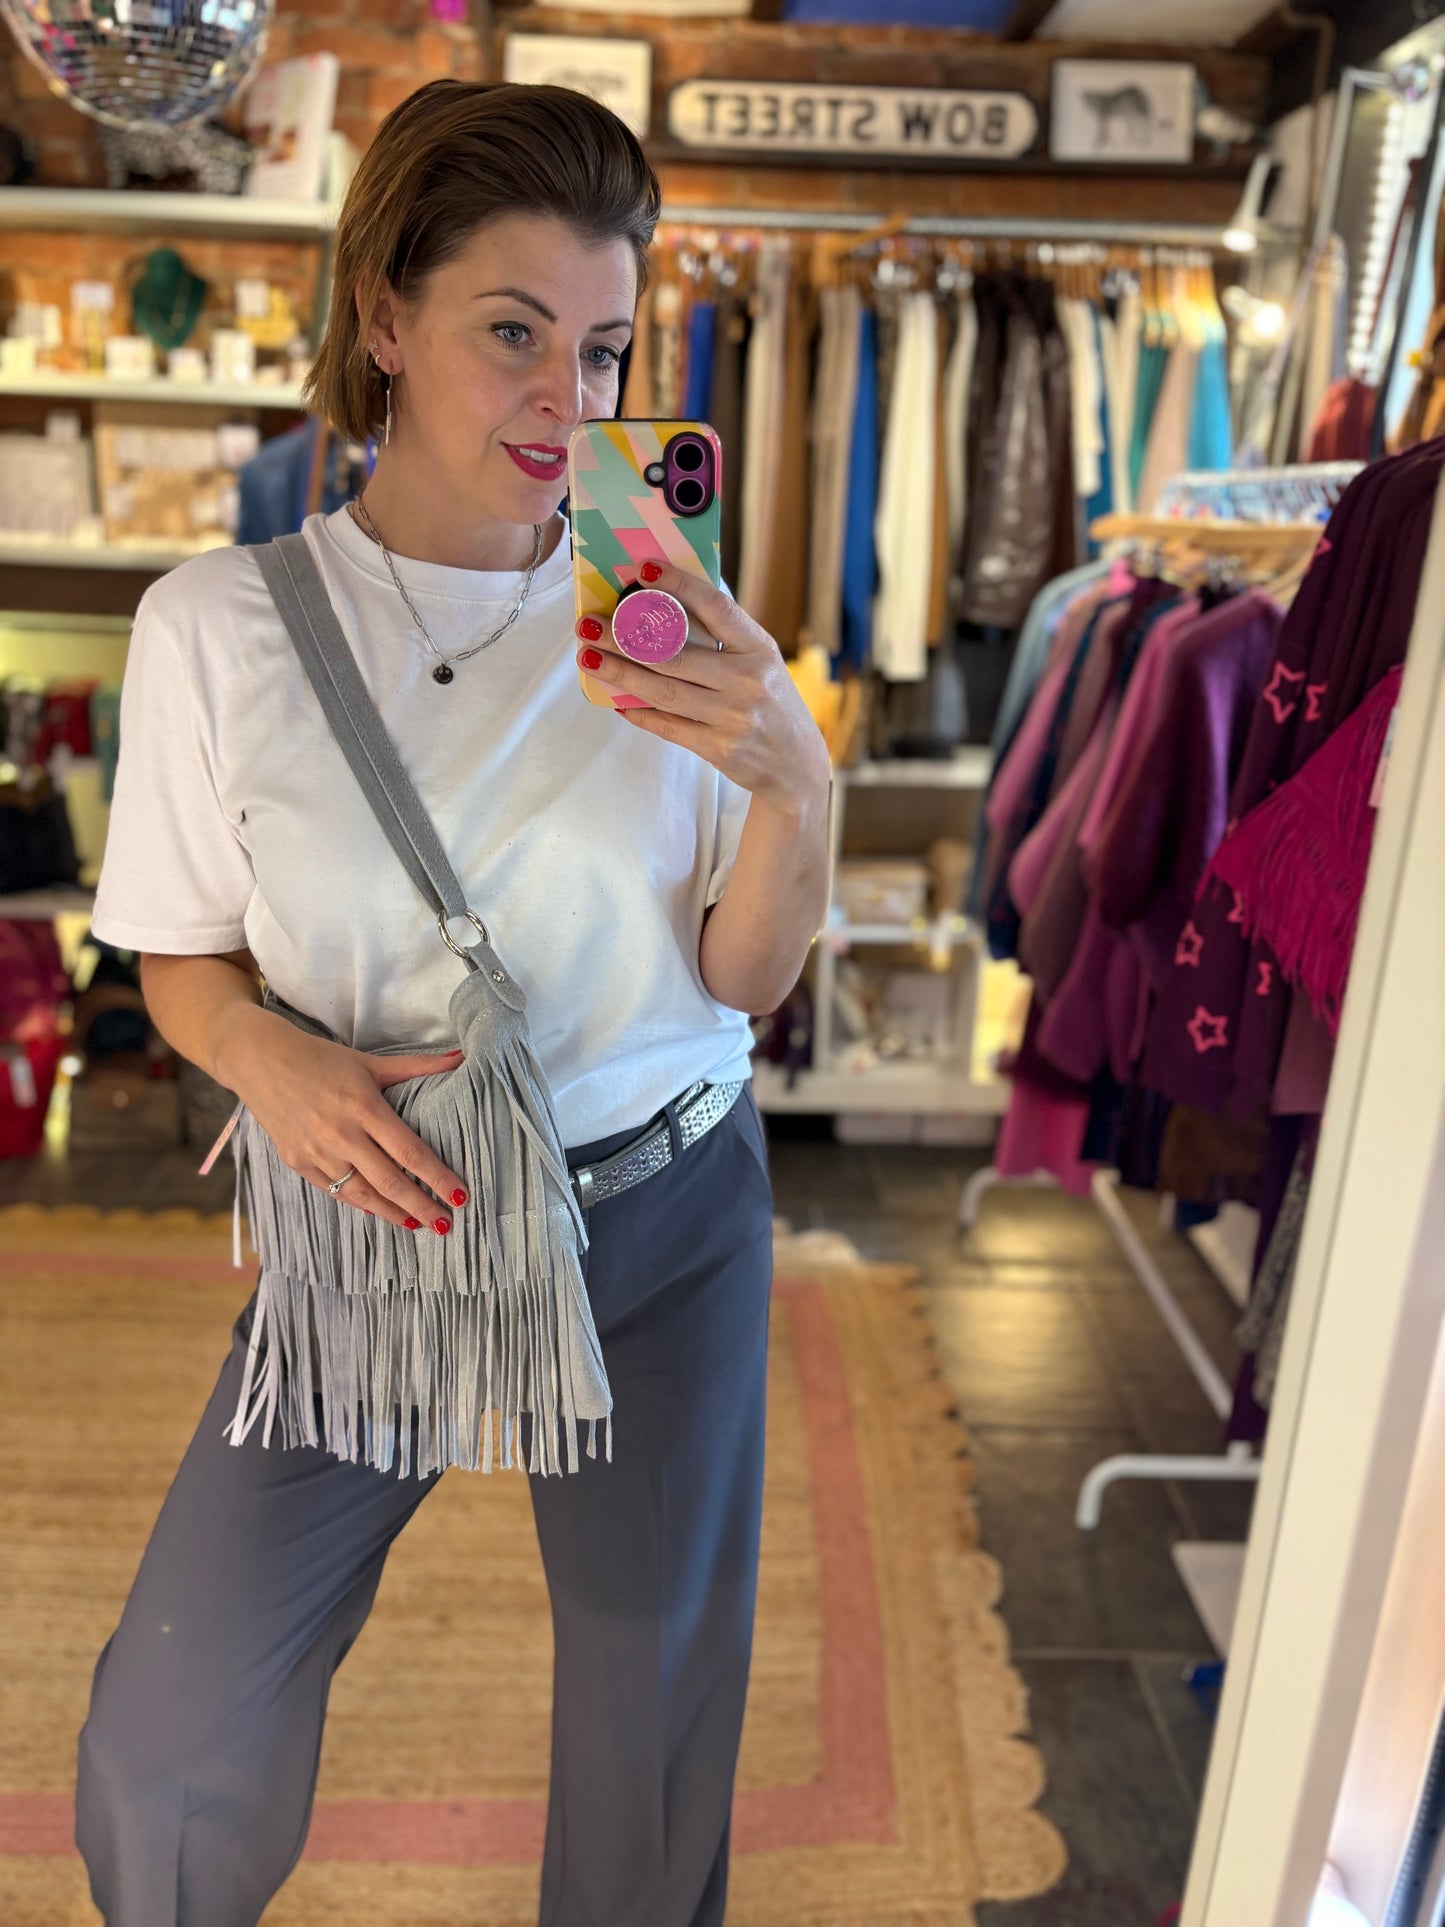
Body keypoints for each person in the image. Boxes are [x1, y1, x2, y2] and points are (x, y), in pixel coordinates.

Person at [74, 80, 830, 1927]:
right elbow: (176, 954)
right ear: (384, 320)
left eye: (603, 346)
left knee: (650, 1736)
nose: (567, 398)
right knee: (177, 1731)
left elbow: (740, 972)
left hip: (661, 1210)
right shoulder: (219, 625)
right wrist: (269, 1059)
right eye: (512, 334)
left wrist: (798, 783)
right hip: (384, 1205)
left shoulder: (662, 611)